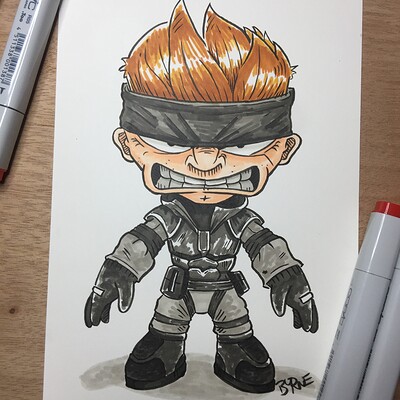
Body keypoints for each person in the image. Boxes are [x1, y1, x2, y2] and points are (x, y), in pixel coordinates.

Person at [84, 1, 318, 393]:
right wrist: (116, 273)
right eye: (172, 142)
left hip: (225, 287)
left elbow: (265, 246)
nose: (206, 162)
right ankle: (166, 344)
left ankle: (235, 347)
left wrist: (289, 279)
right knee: (167, 322)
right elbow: (142, 242)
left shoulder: (240, 220)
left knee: (236, 324)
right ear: (127, 144)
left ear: (284, 149)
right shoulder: (169, 217)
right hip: (178, 287)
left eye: (240, 144)